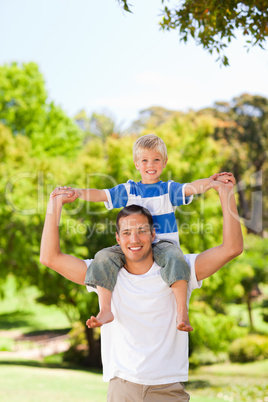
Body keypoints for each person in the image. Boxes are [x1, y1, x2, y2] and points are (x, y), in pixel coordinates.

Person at [40, 175, 243, 401]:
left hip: (167, 390)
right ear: (117, 238)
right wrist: (54, 205)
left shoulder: (181, 269)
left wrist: (226, 194)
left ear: (153, 234)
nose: (134, 239)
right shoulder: (104, 272)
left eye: (142, 231)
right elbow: (50, 257)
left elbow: (231, 248)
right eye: (126, 232)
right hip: (122, 389)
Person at [52, 134, 234, 332]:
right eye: (145, 160)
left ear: (164, 162)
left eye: (156, 159)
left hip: (164, 245)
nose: (151, 165)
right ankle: (105, 309)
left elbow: (192, 187)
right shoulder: (129, 190)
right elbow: (101, 194)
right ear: (136, 164)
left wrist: (210, 182)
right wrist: (78, 192)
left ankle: (182, 311)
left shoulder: (168, 189)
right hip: (133, 246)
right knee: (103, 257)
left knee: (176, 258)